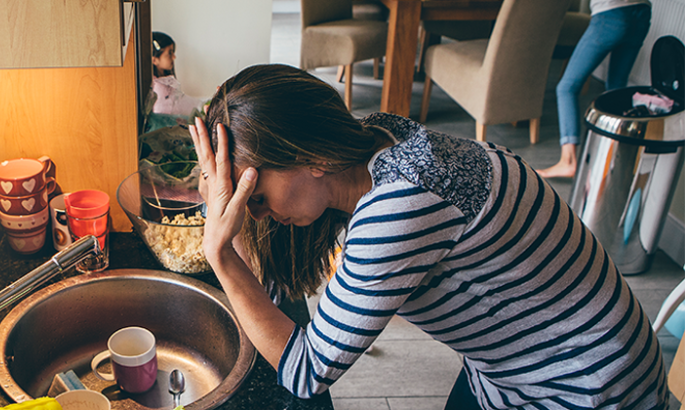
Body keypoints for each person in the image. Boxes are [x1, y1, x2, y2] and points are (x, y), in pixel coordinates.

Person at [188, 64, 669, 409]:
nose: (258, 216)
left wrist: (220, 251)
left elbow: (304, 372)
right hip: (512, 368)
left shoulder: (397, 211)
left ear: (313, 158)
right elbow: (270, 295)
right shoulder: (378, 137)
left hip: (585, 385)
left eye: (253, 196)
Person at [537, 0, 652, 178]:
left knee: (567, 87)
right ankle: (613, 159)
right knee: (616, 88)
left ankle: (568, 162)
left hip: (611, 13)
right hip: (642, 11)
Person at [150, 31, 204, 117]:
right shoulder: (158, 87)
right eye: (169, 53)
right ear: (154, 60)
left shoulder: (165, 79)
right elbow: (163, 112)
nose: (174, 57)